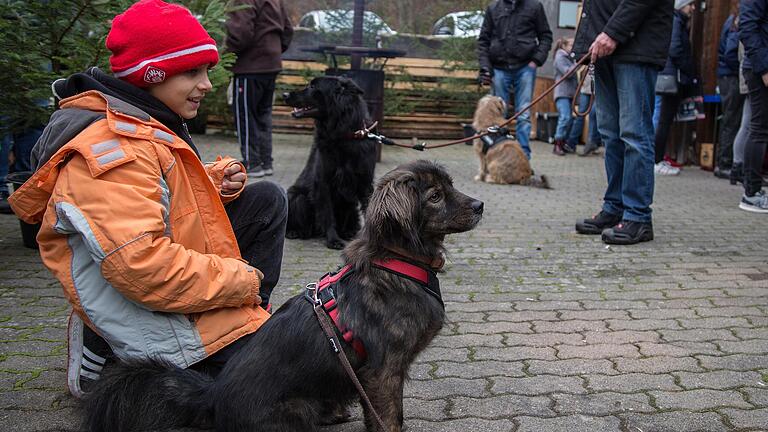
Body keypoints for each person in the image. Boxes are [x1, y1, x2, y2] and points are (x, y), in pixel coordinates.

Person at [8, 0, 288, 398]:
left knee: (266, 200)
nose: (207, 84)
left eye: (206, 71)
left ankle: (242, 322)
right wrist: (245, 280)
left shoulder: (143, 119)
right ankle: (103, 346)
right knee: (270, 388)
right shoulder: (111, 150)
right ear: (151, 75)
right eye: (192, 72)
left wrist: (212, 179)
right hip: (137, 298)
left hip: (157, 282)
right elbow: (143, 266)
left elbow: (153, 188)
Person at [573, 0, 674, 245]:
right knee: (611, 134)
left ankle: (638, 217)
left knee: (634, 135)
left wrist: (612, 33)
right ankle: (615, 208)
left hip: (635, 49)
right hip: (606, 51)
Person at [225, 0, 293, 178]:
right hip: (271, 64)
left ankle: (252, 163)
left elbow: (240, 33)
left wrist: (225, 54)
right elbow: (287, 30)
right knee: (263, 115)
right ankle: (266, 162)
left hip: (250, 65)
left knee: (246, 116)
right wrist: (275, 50)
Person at [477, 0, 553, 159]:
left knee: (524, 114)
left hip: (525, 67)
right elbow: (483, 40)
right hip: (499, 68)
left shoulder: (534, 7)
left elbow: (546, 36)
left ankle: (524, 157)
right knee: (496, 115)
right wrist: (486, 68)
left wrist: (536, 61)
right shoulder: (494, 8)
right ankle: (496, 155)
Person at [653, 0, 698, 177]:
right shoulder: (675, 21)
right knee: (661, 119)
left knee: (660, 117)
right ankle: (655, 159)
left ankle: (655, 157)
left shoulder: (675, 20)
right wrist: (688, 69)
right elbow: (675, 48)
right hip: (670, 76)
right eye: (690, 4)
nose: (693, 8)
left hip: (667, 75)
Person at [737, 0, 768, 212]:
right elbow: (747, 27)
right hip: (760, 69)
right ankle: (751, 193)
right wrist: (764, 68)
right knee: (759, 127)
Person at [714, 12, 744, 180]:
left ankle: (725, 162)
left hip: (727, 75)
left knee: (731, 119)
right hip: (731, 76)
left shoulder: (732, 18)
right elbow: (731, 52)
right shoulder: (736, 20)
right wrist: (738, 71)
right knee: (731, 120)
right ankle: (724, 163)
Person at [552, 37, 578, 155]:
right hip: (562, 93)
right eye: (571, 45)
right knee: (565, 118)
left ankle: (562, 144)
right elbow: (567, 73)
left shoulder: (569, 58)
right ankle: (557, 144)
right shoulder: (560, 57)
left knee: (569, 119)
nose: (573, 47)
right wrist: (577, 64)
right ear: (564, 46)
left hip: (569, 93)